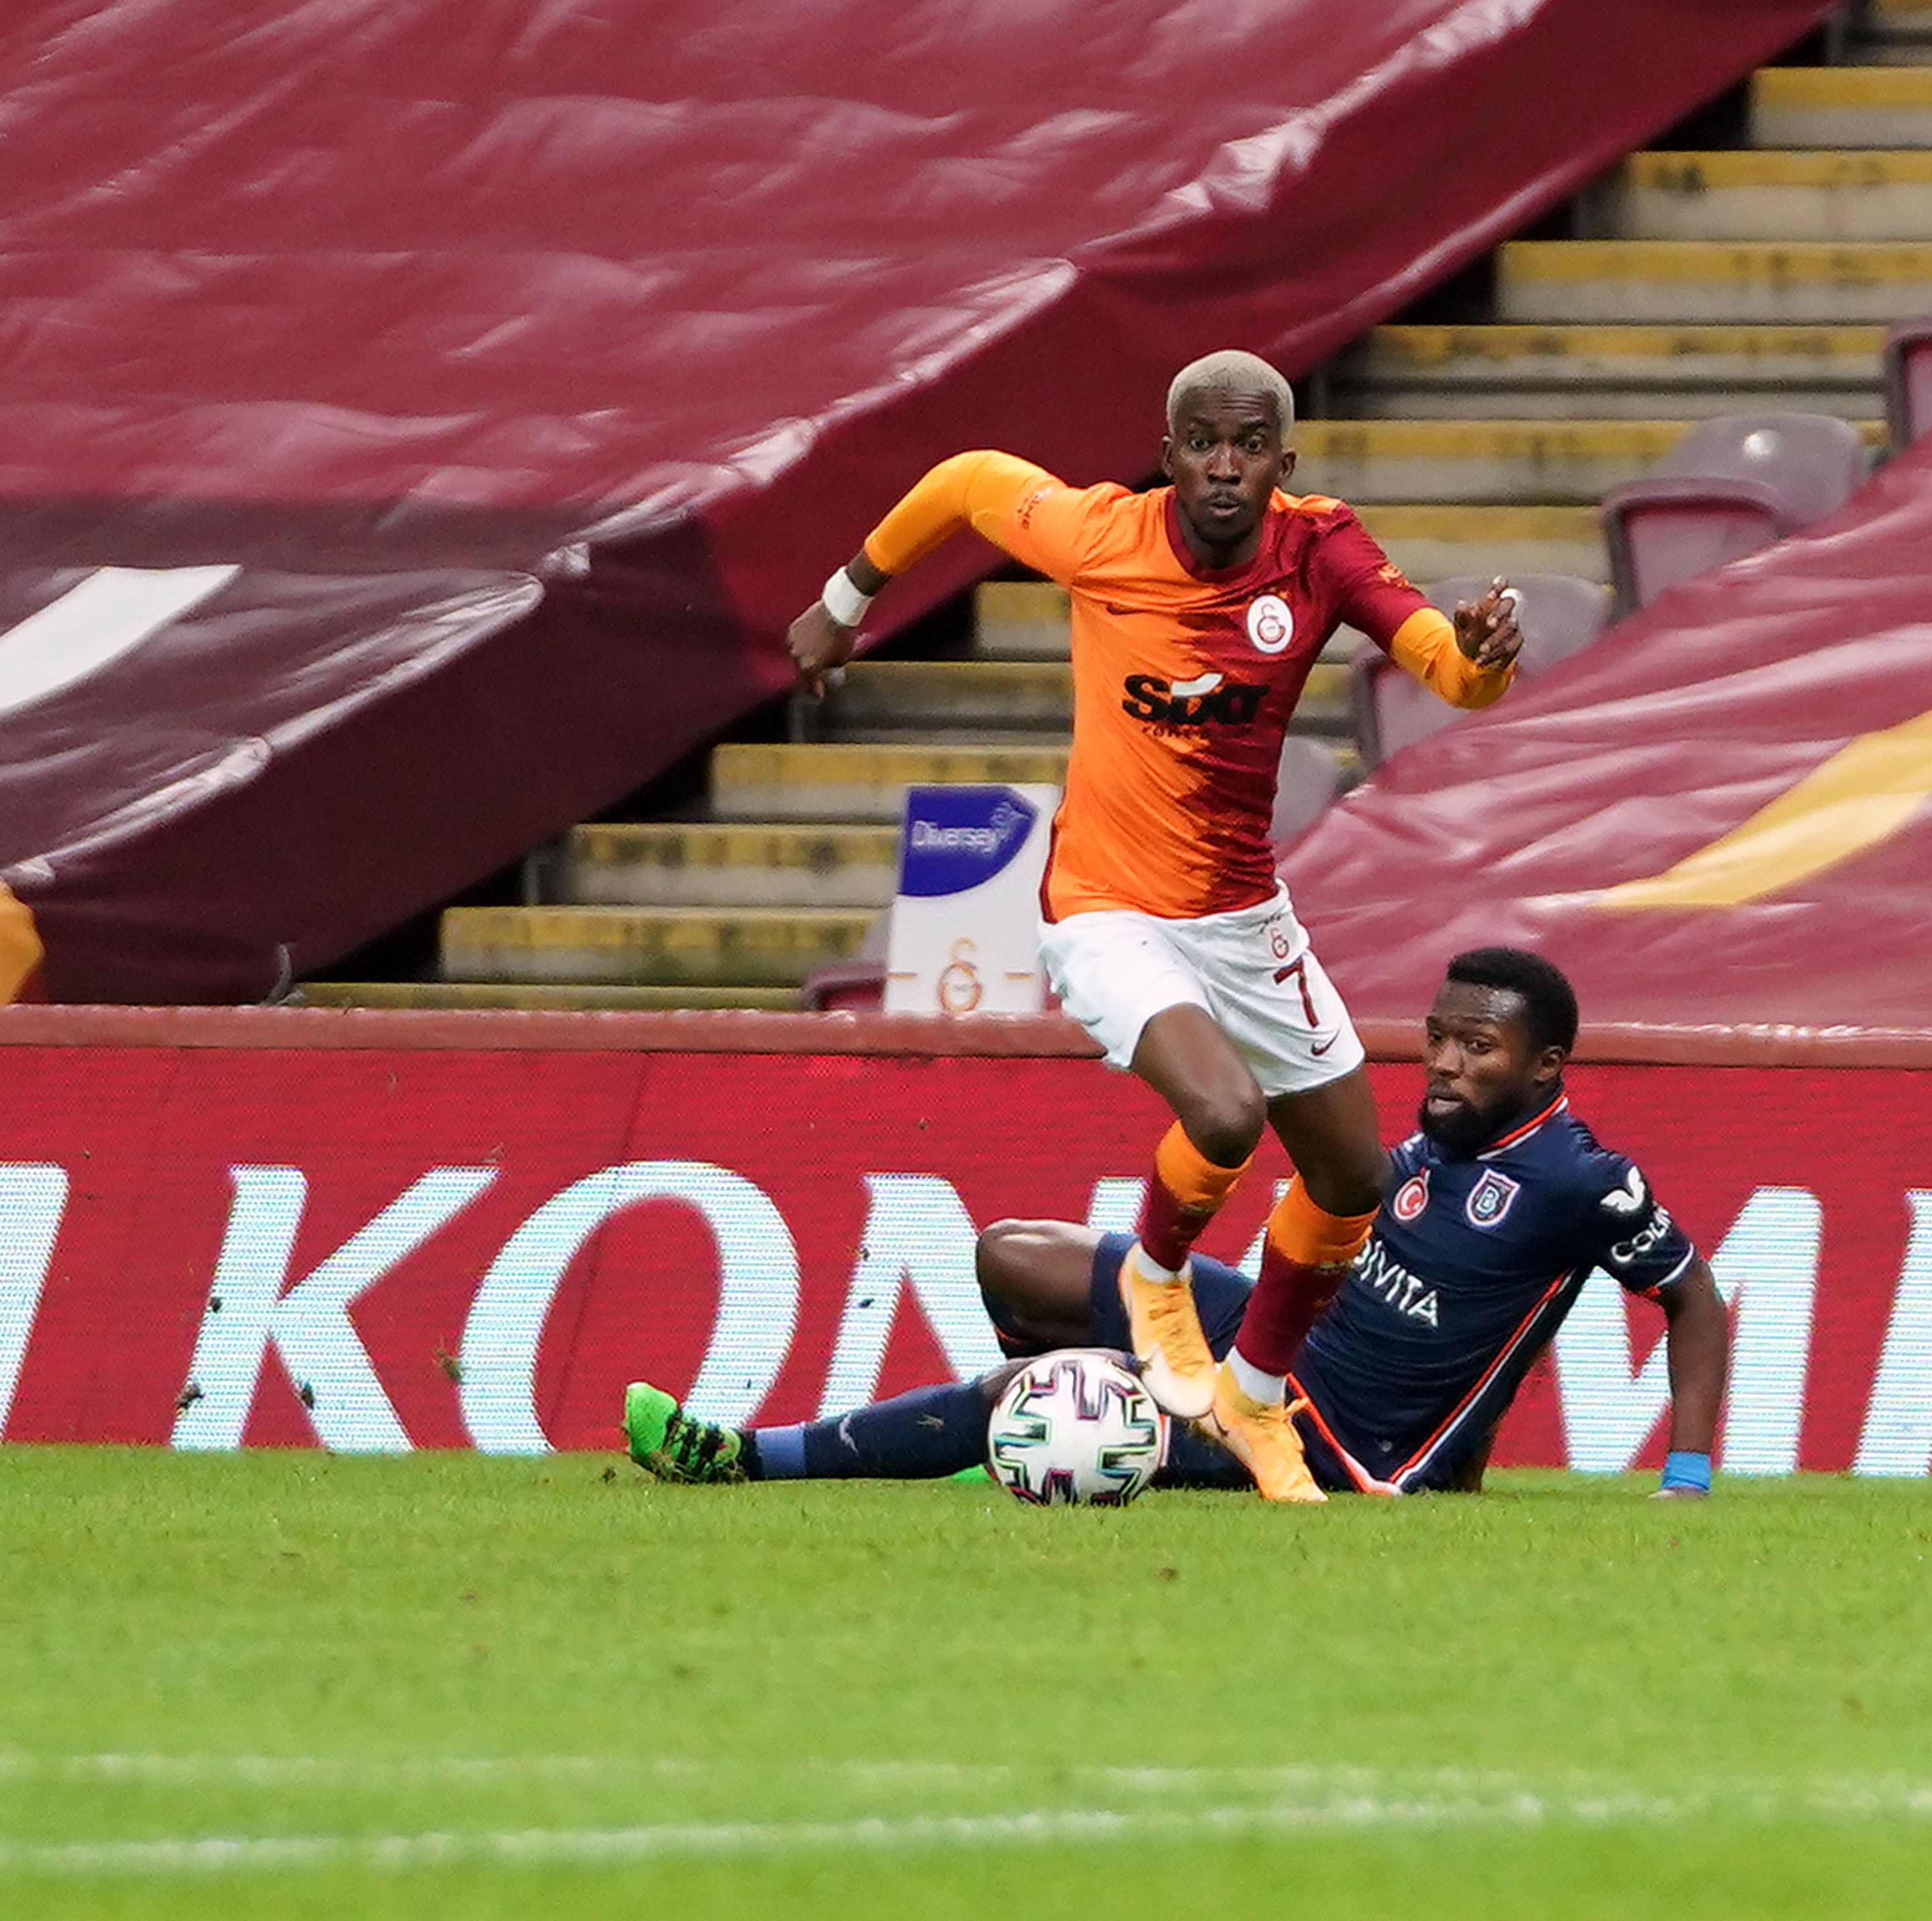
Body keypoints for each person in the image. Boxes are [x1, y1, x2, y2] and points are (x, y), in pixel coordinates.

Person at [783, 350, 1524, 1503]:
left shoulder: (1319, 548)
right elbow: (971, 478)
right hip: (1104, 905)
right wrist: (845, 600)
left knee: (1347, 1177)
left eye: (1248, 447)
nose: (1224, 467)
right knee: (1223, 1110)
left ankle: (1254, 1395)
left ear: (1285, 461)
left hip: (1241, 912)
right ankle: (1157, 1277)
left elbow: (1433, 651)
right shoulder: (1099, 535)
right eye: (1201, 444)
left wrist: (1475, 663)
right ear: (1167, 451)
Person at [625, 948, 1728, 1501]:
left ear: (1545, 1066)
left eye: (1476, 1049)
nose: (1444, 1061)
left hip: (1337, 1438)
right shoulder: (1441, 1137)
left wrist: (1685, 1477)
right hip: (1274, 1337)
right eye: (1439, 1036)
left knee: (1037, 1393)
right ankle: (1033, 1452)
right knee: (1010, 1253)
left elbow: (1695, 1298)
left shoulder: (1585, 1181)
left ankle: (743, 1458)